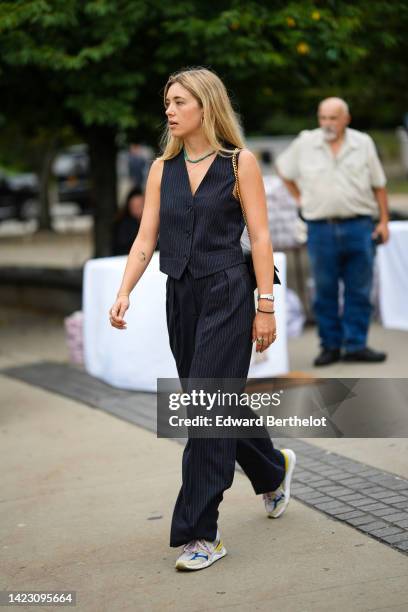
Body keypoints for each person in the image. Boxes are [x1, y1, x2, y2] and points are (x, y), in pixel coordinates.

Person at [108, 67, 296, 571]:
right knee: (212, 401)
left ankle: (200, 533)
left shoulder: (240, 164)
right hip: (181, 296)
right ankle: (272, 470)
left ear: (205, 107)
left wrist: (265, 306)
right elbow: (145, 239)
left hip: (229, 293)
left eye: (178, 101)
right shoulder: (160, 169)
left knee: (204, 413)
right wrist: (124, 290)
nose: (168, 111)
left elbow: (259, 238)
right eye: (167, 102)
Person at [276, 97, 390, 366]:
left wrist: (383, 221)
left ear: (346, 119)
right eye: (322, 117)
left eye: (333, 118)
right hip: (320, 229)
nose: (327, 123)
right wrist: (299, 198)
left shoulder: (362, 143)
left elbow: (380, 185)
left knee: (359, 290)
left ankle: (356, 345)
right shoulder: (305, 143)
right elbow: (284, 169)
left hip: (359, 226)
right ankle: (330, 346)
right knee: (324, 290)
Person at [112, 187, 145, 256]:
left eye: (140, 206)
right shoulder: (124, 227)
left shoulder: (148, 223)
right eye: (135, 207)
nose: (138, 210)